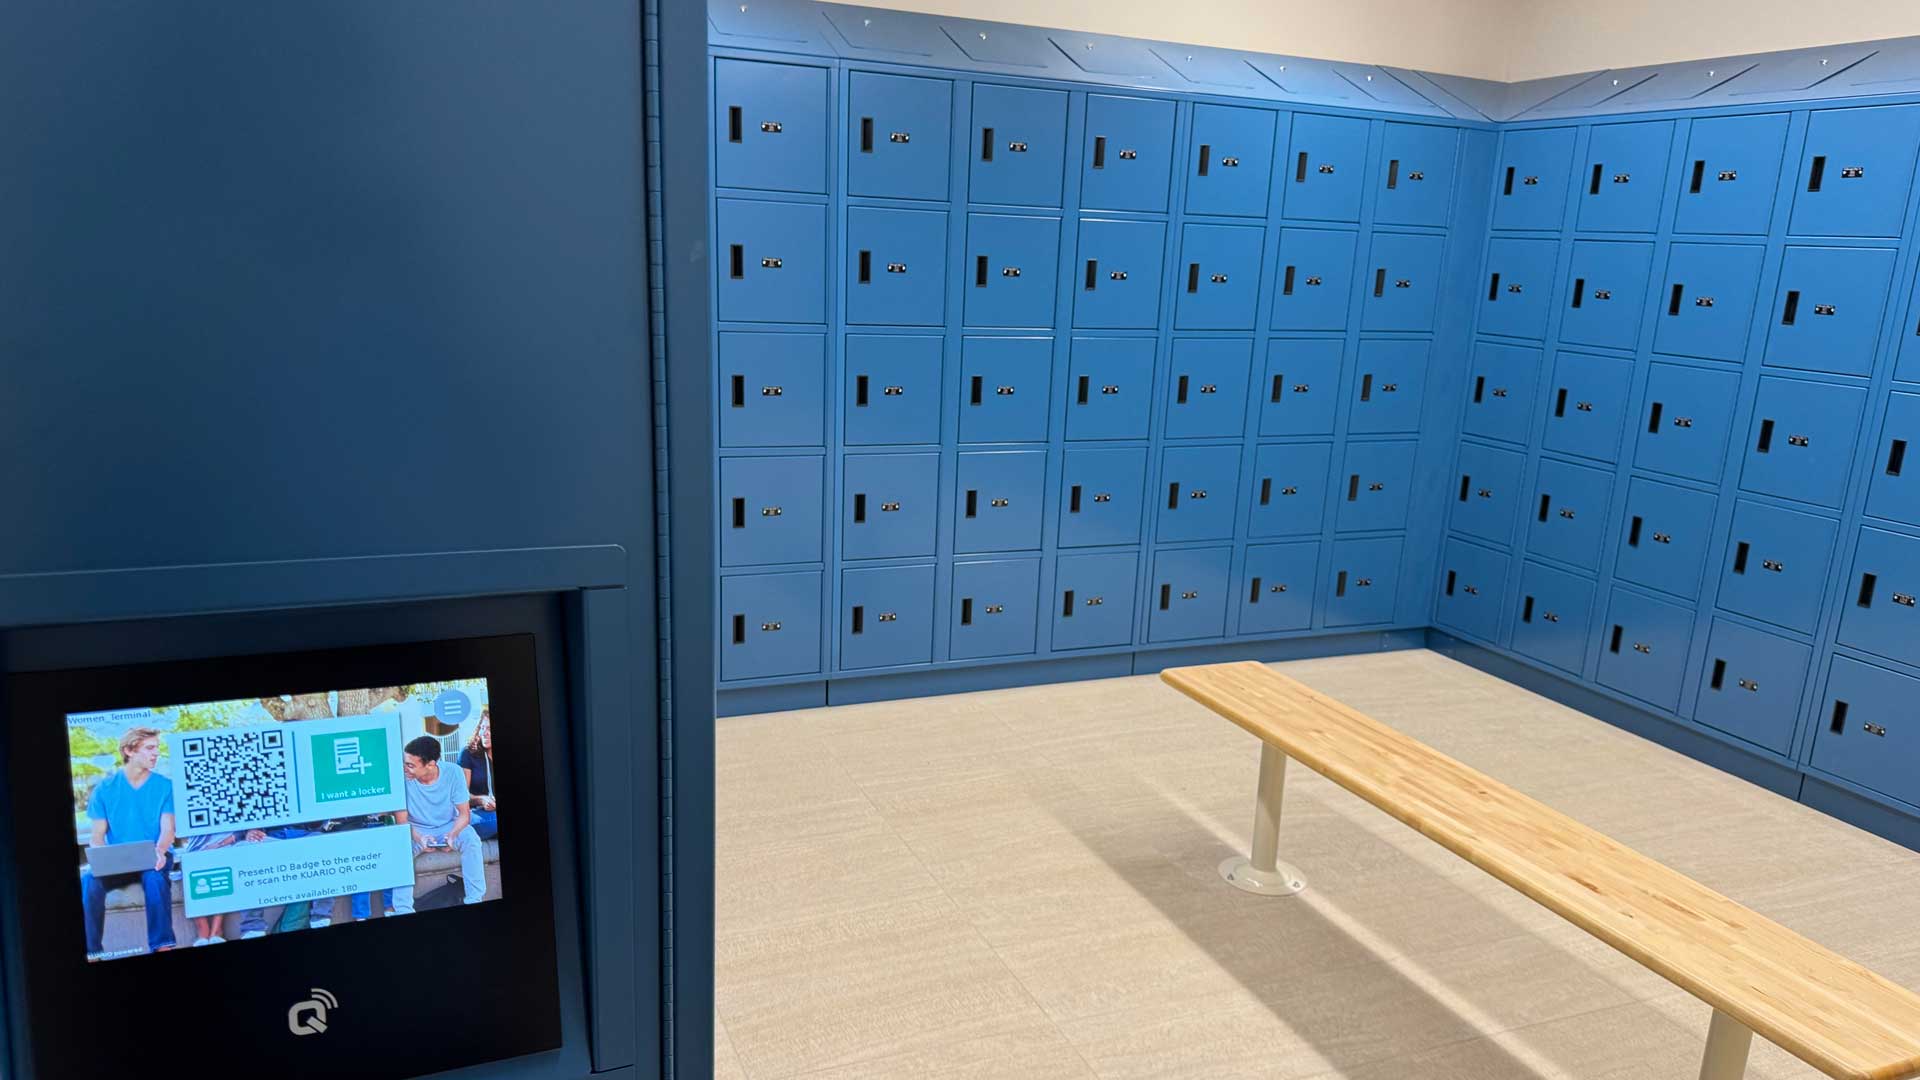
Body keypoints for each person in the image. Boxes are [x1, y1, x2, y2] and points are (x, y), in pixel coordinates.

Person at [80, 727, 178, 956]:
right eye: (149, 748)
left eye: (157, 748)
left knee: (154, 878)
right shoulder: (105, 789)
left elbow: (168, 830)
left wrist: (161, 851)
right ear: (129, 750)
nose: (156, 754)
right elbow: (97, 836)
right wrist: (103, 857)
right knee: (89, 880)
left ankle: (162, 945)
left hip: (155, 855)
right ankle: (92, 952)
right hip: (120, 861)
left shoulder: (164, 786)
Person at [389, 736, 486, 913]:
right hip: (415, 829)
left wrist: (454, 834)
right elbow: (402, 823)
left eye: (411, 765)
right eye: (405, 762)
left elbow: (464, 815)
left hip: (448, 825)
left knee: (470, 837)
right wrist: (420, 838)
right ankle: (403, 910)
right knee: (401, 847)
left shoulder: (454, 772)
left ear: (431, 764)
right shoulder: (400, 778)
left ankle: (474, 900)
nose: (405, 768)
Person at [457, 709, 497, 841]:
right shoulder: (468, 753)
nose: (485, 733)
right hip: (475, 813)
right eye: (482, 728)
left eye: (490, 728)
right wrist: (482, 799)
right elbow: (461, 796)